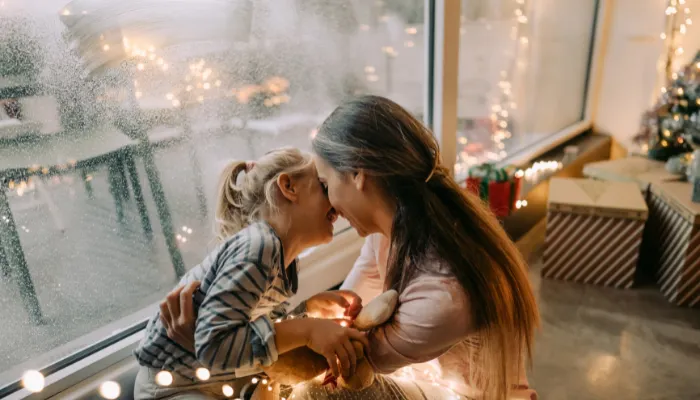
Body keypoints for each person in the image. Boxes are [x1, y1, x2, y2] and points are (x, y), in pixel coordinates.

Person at [162, 96, 540, 400]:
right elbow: (347, 312)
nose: (331, 205)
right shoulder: (386, 233)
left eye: (327, 184)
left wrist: (207, 343)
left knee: (313, 393)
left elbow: (331, 356)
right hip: (428, 383)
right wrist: (309, 313)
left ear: (358, 175)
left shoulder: (445, 291)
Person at [133, 148, 368, 400]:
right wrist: (309, 330)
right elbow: (214, 345)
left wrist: (304, 311)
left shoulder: (283, 262)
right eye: (323, 187)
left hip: (217, 380)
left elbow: (254, 333)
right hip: (172, 387)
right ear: (288, 186)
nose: (334, 199)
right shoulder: (258, 247)